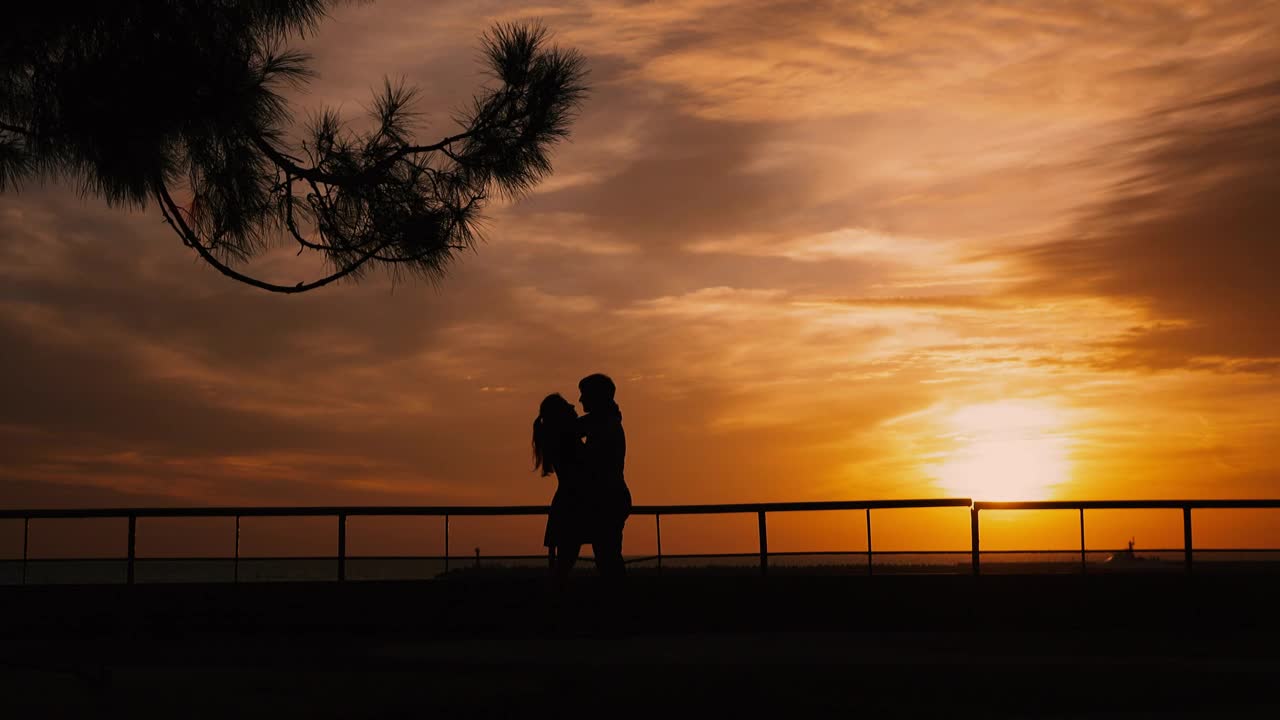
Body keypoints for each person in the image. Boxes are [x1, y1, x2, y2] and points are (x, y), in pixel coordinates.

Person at [577, 373, 631, 581]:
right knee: (607, 556)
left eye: (584, 394)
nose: (581, 399)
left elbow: (589, 458)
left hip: (608, 498)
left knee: (607, 557)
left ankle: (618, 596)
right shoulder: (605, 421)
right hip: (611, 497)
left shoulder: (605, 425)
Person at [532, 393, 591, 583]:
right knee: (565, 562)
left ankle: (555, 595)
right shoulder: (565, 438)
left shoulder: (559, 436)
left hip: (567, 502)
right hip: (572, 504)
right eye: (567, 406)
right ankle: (554, 596)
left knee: (565, 561)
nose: (573, 407)